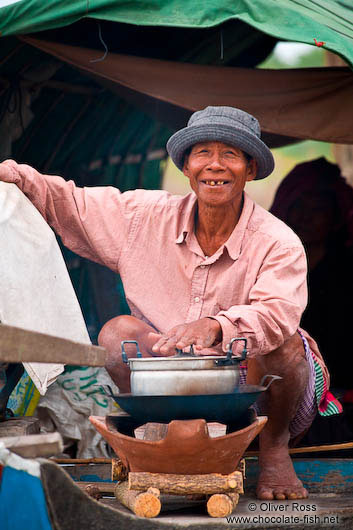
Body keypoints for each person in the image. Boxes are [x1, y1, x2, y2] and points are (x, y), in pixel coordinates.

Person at [0, 106, 341, 500]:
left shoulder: (277, 241)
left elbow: (277, 316)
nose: (215, 166)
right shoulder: (144, 217)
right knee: (116, 334)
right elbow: (72, 202)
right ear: (186, 167)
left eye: (230, 155)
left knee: (286, 346)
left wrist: (217, 326)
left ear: (249, 170)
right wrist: (16, 176)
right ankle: (159, 436)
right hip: (171, 379)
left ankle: (275, 452)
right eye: (203, 154)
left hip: (247, 385)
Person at [270, 158, 353, 390]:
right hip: (283, 385)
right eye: (299, 206)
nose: (306, 217)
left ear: (335, 215)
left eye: (317, 209)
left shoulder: (346, 267)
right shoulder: (270, 263)